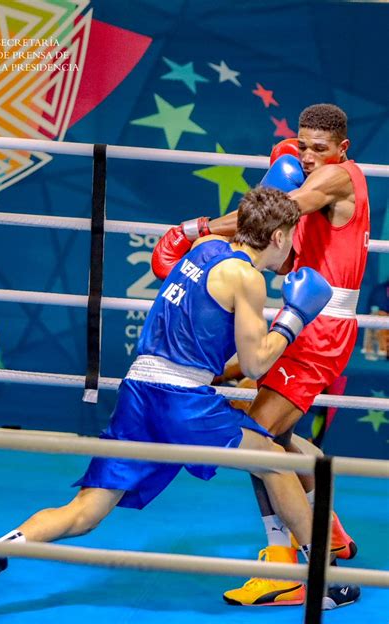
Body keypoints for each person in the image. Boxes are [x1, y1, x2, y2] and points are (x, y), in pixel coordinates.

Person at [0, 187, 357, 621]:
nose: (291, 246)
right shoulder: (247, 278)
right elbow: (256, 361)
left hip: (138, 390)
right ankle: (323, 577)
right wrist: (293, 318)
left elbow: (212, 338)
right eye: (291, 235)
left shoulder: (206, 247)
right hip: (180, 400)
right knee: (275, 460)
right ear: (277, 238)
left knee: (84, 512)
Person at [151, 103, 370, 606]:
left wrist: (196, 231)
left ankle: (291, 570)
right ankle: (325, 530)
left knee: (257, 439)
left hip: (322, 327)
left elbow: (278, 213)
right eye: (303, 143)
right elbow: (286, 246)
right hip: (302, 316)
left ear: (342, 149)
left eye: (321, 147)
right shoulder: (303, 167)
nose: (309, 155)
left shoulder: (336, 180)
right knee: (277, 438)